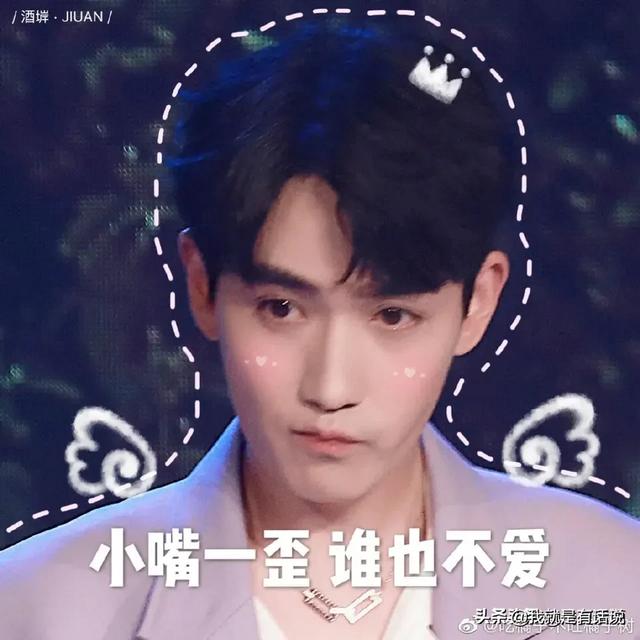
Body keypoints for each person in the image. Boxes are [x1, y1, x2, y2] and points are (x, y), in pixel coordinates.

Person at [0, 20, 638, 640]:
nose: (331, 389)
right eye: (281, 308)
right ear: (201, 285)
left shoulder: (613, 589)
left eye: (392, 316)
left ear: (478, 303)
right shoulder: (37, 609)